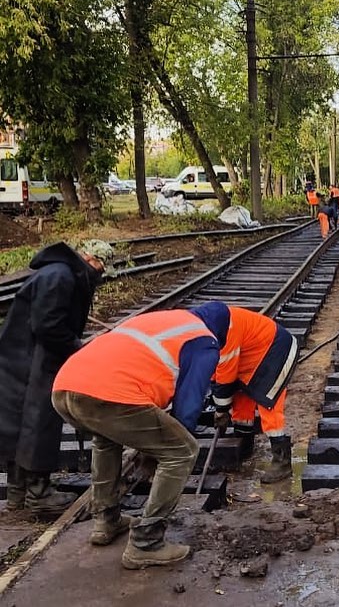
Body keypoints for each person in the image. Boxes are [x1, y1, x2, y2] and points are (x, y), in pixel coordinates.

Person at [51, 301, 230, 569]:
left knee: (106, 437)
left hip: (65, 387)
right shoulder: (204, 339)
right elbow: (189, 405)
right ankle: (147, 542)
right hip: (109, 394)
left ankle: (107, 520)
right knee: (182, 451)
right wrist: (163, 448)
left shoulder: (165, 321)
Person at [0, 239, 113, 517]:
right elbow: (48, 325)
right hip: (34, 360)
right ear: (91, 259)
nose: (101, 274)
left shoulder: (59, 272)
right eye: (102, 266)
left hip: (21, 357)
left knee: (19, 424)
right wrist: (78, 347)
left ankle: (18, 494)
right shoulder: (61, 277)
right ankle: (38, 494)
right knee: (38, 424)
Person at [212, 306, 299, 484]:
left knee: (268, 403)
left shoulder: (225, 332)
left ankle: (282, 462)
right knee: (240, 401)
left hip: (275, 351)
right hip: (249, 356)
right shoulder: (211, 331)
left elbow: (224, 376)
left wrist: (221, 410)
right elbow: (217, 375)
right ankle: (244, 448)